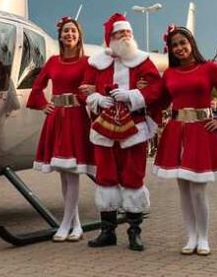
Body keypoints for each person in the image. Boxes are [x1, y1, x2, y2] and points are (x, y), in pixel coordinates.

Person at [152, 25, 217, 256]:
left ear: (191, 43)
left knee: (198, 190)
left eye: (183, 42)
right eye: (174, 45)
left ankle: (203, 237)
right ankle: (190, 236)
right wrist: (137, 92)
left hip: (201, 132)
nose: (179, 48)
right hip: (176, 132)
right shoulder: (169, 74)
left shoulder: (210, 68)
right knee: (183, 189)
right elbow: (158, 99)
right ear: (170, 50)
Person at [81, 13, 162, 251]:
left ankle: (134, 232)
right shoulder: (96, 63)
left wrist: (134, 96)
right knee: (105, 178)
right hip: (104, 130)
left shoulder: (143, 61)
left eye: (128, 33)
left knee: (133, 178)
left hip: (134, 130)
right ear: (110, 38)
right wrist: (96, 98)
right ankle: (108, 232)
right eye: (120, 33)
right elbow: (82, 91)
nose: (126, 36)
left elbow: (158, 90)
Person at [26, 16, 93, 242]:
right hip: (57, 119)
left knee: (72, 173)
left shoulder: (87, 63)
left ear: (79, 35)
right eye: (66, 31)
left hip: (76, 119)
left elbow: (92, 89)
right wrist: (44, 105)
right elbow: (37, 87)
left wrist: (91, 92)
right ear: (60, 36)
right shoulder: (53, 61)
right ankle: (75, 224)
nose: (69, 34)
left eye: (73, 31)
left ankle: (66, 224)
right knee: (64, 175)